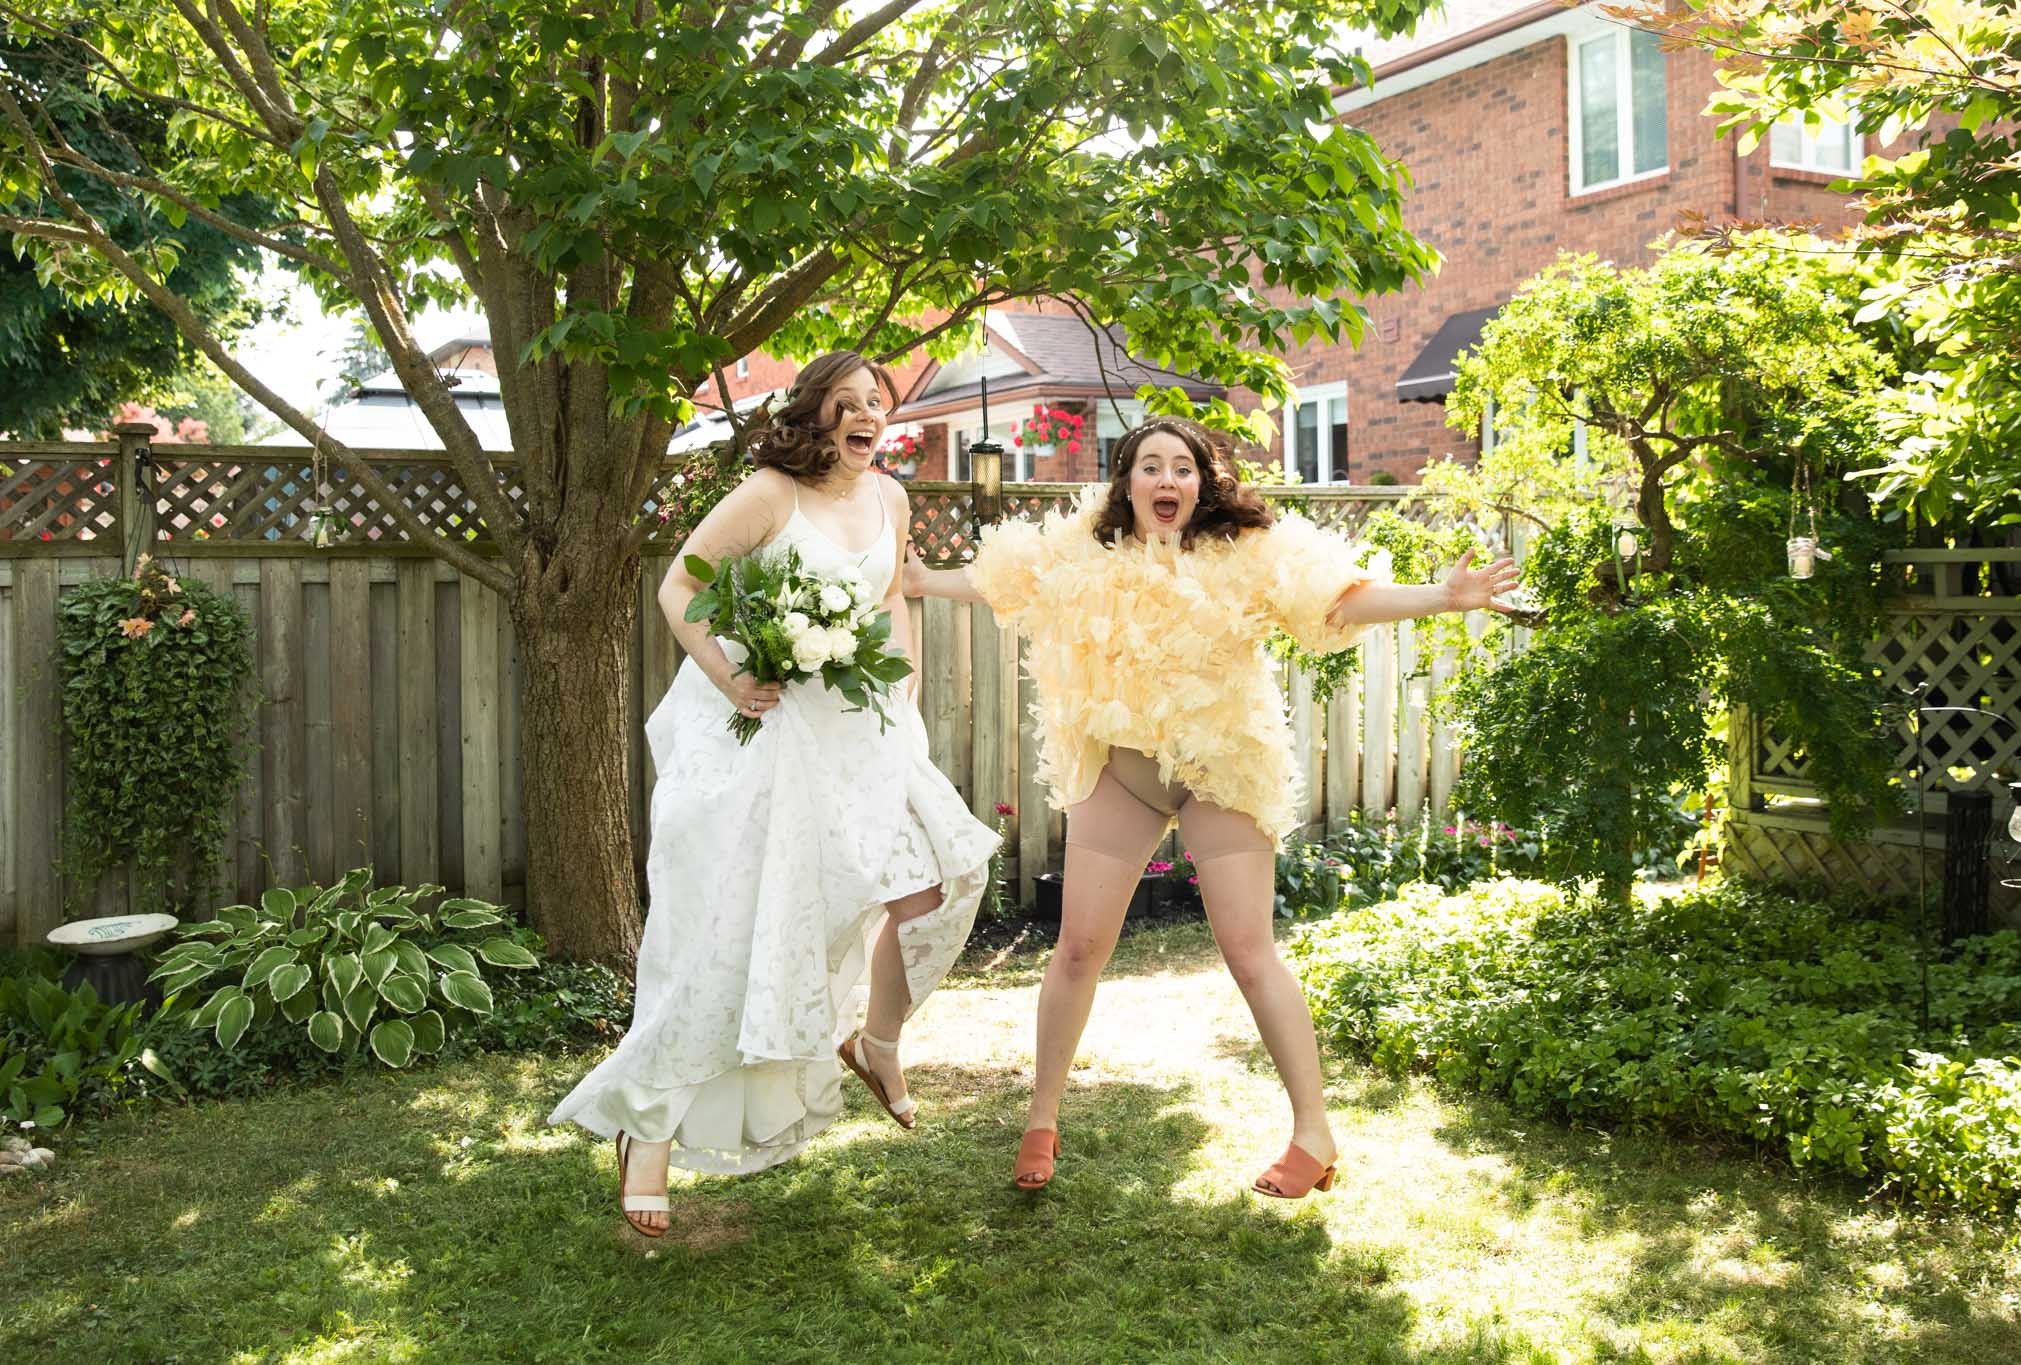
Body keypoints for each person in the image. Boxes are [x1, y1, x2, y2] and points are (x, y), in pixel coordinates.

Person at [904, 416, 1518, 1197]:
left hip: (1220, 769)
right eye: (1151, 467)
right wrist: (925, 583)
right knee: (1080, 946)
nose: (1168, 481)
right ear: (1125, 481)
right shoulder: (1082, 549)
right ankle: (1042, 1118)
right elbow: (1003, 582)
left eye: (1183, 469)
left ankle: (1314, 1132)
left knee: (1248, 950)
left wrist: (1445, 595)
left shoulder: (1248, 555)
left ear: (1203, 483)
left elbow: (1339, 600)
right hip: (1123, 769)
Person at [550, 351, 999, 1236]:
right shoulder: (768, 495)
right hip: (763, 742)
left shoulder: (894, 500)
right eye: (848, 402)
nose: (868, 415)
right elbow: (682, 585)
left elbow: (890, 601)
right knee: (725, 939)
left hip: (863, 734)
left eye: (878, 402)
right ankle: (648, 1135)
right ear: (815, 416)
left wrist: (900, 680)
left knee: (936, 885)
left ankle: (874, 1039)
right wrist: (730, 677)